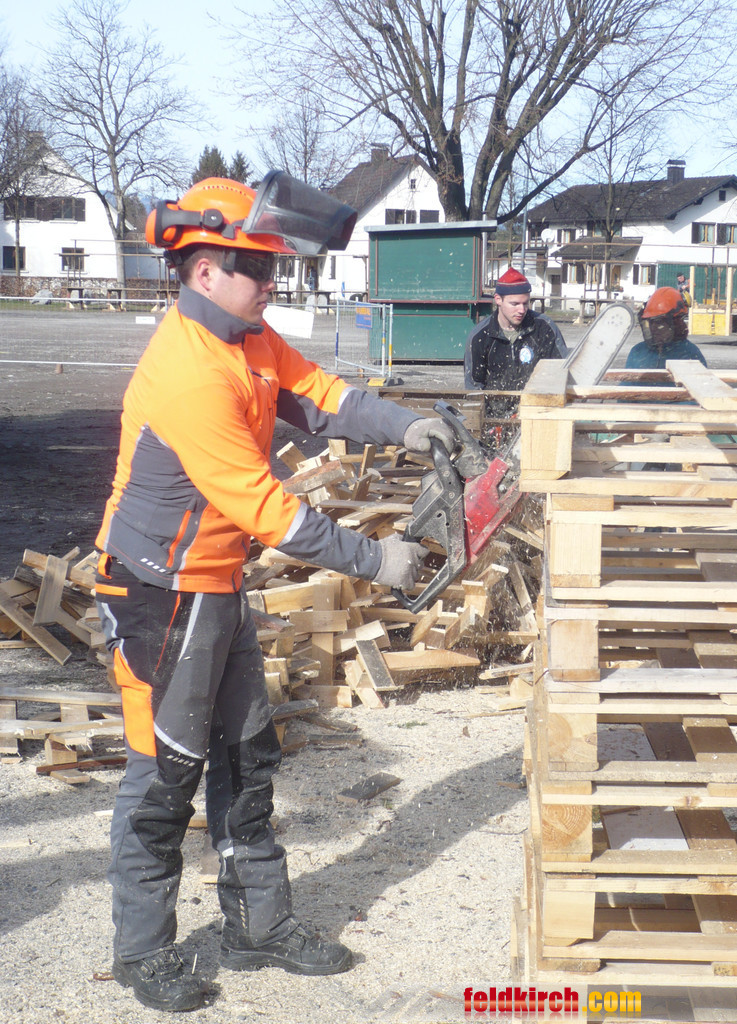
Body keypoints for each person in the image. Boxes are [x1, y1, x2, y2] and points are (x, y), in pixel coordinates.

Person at [93, 175, 455, 1013]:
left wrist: (407, 425)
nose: (271, 283)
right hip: (159, 593)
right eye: (257, 268)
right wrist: (379, 559)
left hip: (214, 583)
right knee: (164, 773)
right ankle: (142, 951)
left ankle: (256, 926)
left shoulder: (249, 338)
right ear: (204, 269)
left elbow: (321, 397)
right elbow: (271, 512)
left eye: (274, 268)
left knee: (248, 755)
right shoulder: (189, 372)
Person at [464, 267, 567, 442]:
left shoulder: (544, 328)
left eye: (526, 303)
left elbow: (560, 373)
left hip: (536, 416)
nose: (521, 309)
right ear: (498, 299)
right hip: (495, 422)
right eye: (515, 304)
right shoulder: (480, 337)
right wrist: (485, 425)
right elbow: (474, 388)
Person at [626, 286, 705, 370]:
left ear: (676, 322)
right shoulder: (637, 352)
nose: (654, 328)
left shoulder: (690, 355)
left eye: (659, 322)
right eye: (651, 322)